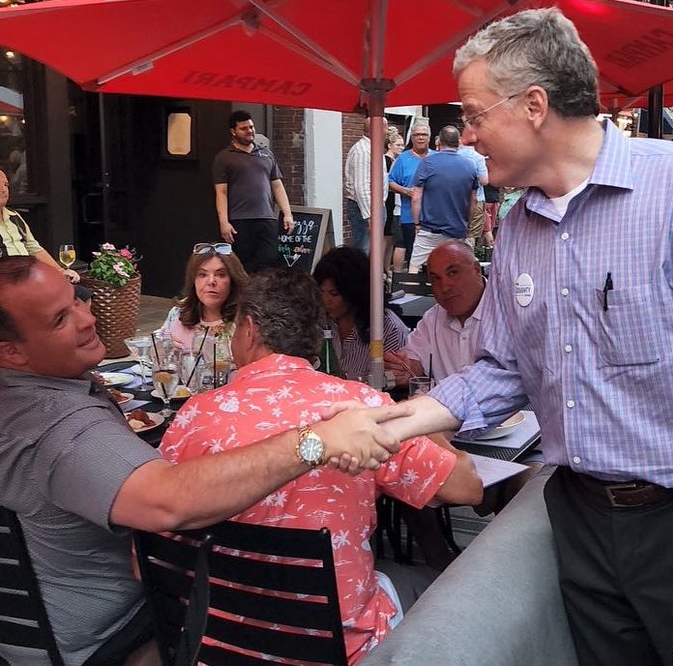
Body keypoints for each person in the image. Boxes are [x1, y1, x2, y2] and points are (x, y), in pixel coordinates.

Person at [340, 7, 673, 666]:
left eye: (476, 114)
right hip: (580, 516)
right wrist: (388, 425)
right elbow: (501, 368)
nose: (469, 134)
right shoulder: (517, 228)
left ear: (534, 104)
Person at [0, 257, 406, 666]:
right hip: (84, 631)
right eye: (60, 320)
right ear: (11, 352)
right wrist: (314, 441)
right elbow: (174, 502)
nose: (87, 318)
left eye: (76, 299)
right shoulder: (63, 432)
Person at [159, 268, 482, 664]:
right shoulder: (359, 410)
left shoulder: (193, 416)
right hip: (336, 649)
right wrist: (409, 414)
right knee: (422, 583)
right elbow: (468, 488)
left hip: (214, 645)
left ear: (247, 329)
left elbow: (152, 564)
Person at [384, 240, 486, 385]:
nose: (444, 287)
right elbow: (414, 360)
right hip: (442, 406)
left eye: (453, 272)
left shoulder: (507, 313)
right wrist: (403, 369)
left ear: (477, 270)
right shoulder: (433, 318)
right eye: (435, 279)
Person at [213, 110, 294, 272]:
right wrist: (224, 222)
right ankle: (244, 292)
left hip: (266, 217)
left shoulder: (266, 154)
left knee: (270, 258)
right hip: (239, 220)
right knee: (241, 261)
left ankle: (258, 291)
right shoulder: (224, 158)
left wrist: (287, 213)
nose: (249, 131)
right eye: (243, 128)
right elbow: (221, 192)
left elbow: (277, 185)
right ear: (233, 132)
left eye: (251, 127)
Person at [313, 246, 409, 383]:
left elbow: (393, 382)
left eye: (334, 294)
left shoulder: (387, 328)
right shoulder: (319, 321)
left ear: (354, 292)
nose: (325, 301)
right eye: (321, 292)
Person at [159, 243, 249, 366]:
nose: (211, 281)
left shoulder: (246, 322)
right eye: (202, 275)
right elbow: (152, 350)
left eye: (220, 274)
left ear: (232, 281)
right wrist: (161, 350)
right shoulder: (177, 314)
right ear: (194, 281)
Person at [408, 125, 479, 272]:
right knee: (454, 270)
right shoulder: (469, 166)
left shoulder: (427, 163)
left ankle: (411, 293)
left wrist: (417, 224)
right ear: (458, 142)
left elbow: (416, 197)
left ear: (439, 141)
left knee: (415, 267)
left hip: (430, 228)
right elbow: (473, 201)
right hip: (457, 229)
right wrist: (467, 224)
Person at [388, 120, 435, 265]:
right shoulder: (403, 159)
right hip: (410, 217)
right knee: (413, 257)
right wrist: (405, 191)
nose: (420, 138)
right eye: (417, 135)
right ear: (412, 138)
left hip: (435, 218)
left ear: (429, 137)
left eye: (424, 135)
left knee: (434, 258)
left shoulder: (437, 157)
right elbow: (390, 182)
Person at [343, 124, 378, 253]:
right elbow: (361, 186)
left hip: (369, 207)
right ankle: (361, 273)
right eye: (385, 127)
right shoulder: (363, 151)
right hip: (363, 208)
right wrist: (369, 215)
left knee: (369, 249)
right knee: (363, 250)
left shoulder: (371, 148)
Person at [383, 126, 405, 274]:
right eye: (398, 145)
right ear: (390, 145)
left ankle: (385, 268)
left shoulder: (396, 160)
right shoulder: (387, 160)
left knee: (391, 237)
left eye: (402, 145)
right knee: (386, 237)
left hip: (393, 201)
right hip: (388, 201)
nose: (401, 148)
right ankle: (381, 268)